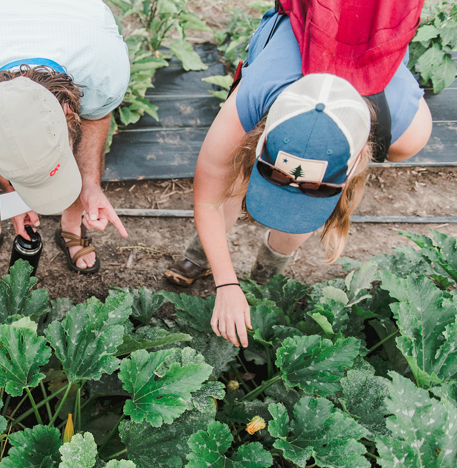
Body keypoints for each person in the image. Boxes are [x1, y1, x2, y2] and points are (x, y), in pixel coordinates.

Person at [163, 6, 432, 349]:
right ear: (260, 136)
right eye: (274, 171)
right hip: (299, 34)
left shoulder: (407, 132)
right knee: (230, 182)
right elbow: (209, 198)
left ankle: (264, 277)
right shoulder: (248, 106)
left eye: (312, 182)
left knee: (309, 203)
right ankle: (202, 255)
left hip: (367, 56)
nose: (293, 183)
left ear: (357, 159)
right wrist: (227, 285)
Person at [0, 0, 130, 275]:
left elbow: (97, 116)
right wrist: (11, 190)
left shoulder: (102, 66)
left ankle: (71, 224)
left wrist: (90, 183)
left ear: (67, 113)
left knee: (83, 152)